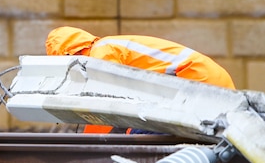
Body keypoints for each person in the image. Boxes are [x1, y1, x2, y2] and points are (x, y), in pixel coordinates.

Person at [45, 26, 235, 133]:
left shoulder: (101, 53)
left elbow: (104, 104)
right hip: (207, 81)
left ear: (67, 54)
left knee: (141, 133)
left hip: (198, 82)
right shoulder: (109, 46)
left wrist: (90, 146)